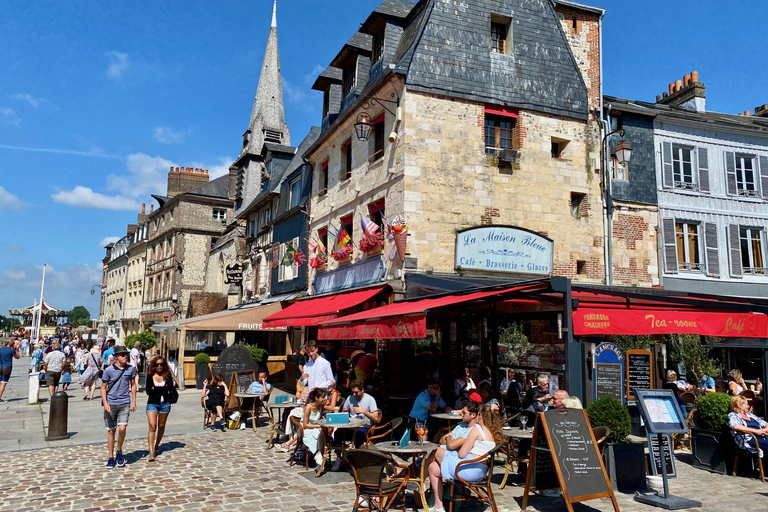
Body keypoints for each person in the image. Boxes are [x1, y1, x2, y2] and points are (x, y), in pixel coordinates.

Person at [427, 405, 502, 512]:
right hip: (480, 471)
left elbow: (461, 454)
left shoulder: (477, 429)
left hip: (469, 470)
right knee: (433, 467)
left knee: (436, 450)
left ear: (479, 416)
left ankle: (421, 479)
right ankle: (438, 507)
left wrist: (450, 440)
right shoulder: (491, 432)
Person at [101, 345, 138, 469]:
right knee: (111, 430)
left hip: (124, 402)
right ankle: (111, 457)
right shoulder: (109, 370)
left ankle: (119, 451)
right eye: (122, 355)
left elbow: (133, 385)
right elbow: (103, 388)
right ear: (116, 357)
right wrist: (105, 403)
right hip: (111, 403)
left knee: (122, 428)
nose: (125, 356)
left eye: (126, 354)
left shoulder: (130, 369)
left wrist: (134, 401)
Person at [145, 355, 177, 462]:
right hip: (152, 403)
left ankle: (157, 444)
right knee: (152, 426)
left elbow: (169, 388)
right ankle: (151, 452)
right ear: (154, 366)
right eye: (157, 364)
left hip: (165, 403)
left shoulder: (167, 375)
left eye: (161, 364)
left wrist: (156, 388)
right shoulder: (150, 376)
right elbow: (149, 391)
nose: (159, 366)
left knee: (161, 425)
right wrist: (162, 389)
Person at [340, 378, 379, 447]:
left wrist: (364, 411)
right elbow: (344, 412)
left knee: (359, 435)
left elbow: (376, 418)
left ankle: (356, 455)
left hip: (364, 426)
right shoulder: (350, 398)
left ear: (362, 390)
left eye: (356, 392)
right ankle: (339, 456)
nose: (354, 394)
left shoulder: (370, 399)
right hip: (351, 426)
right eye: (353, 392)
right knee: (338, 433)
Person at [300, 387, 329, 468]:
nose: (324, 399)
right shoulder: (308, 407)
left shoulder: (321, 406)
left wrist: (320, 426)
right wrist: (318, 426)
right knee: (319, 433)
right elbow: (305, 424)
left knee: (322, 432)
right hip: (307, 428)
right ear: (316, 398)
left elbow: (319, 419)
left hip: (316, 427)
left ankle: (319, 455)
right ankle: (319, 454)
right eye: (322, 397)